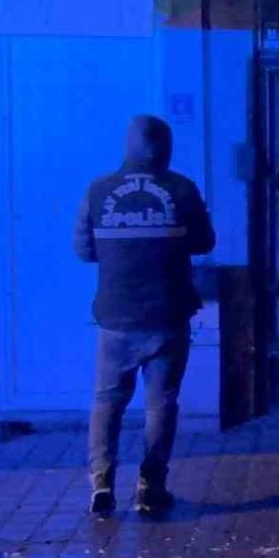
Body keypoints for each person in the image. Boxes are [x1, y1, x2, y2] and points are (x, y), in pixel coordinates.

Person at [73, 115, 216, 516]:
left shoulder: (98, 190)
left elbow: (83, 251)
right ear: (166, 148)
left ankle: (101, 482)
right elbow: (205, 242)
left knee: (107, 401)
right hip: (169, 315)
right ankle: (151, 486)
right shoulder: (182, 189)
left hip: (116, 317)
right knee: (161, 404)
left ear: (128, 145)